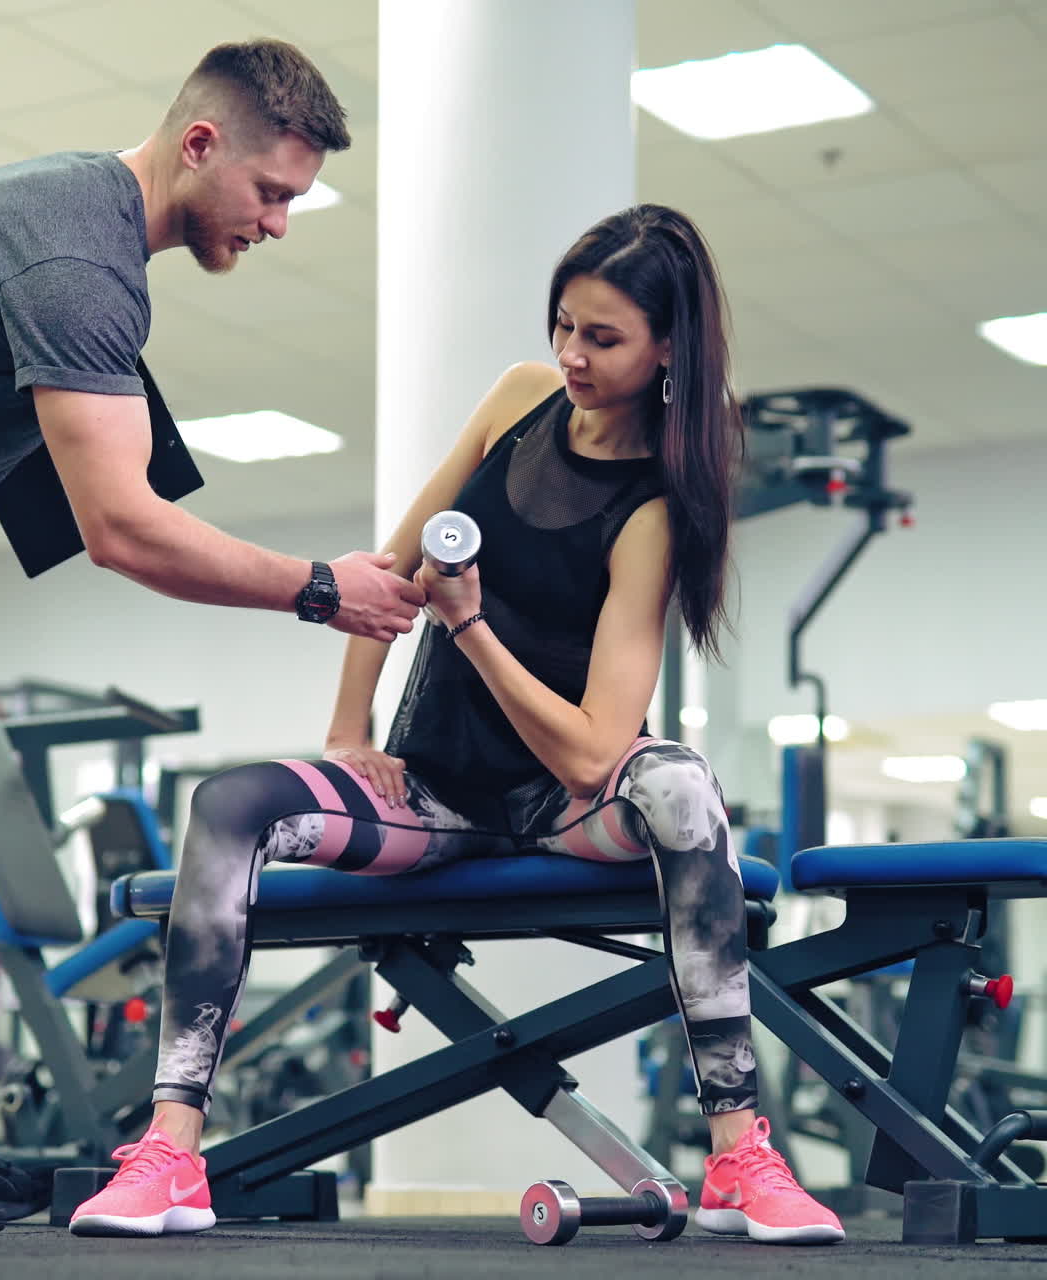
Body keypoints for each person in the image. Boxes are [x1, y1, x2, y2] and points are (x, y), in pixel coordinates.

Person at [69, 205, 847, 1246]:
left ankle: (738, 1154)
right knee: (230, 802)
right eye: (562, 325)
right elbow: (388, 574)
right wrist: (348, 729)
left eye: (602, 337)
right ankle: (171, 1151)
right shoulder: (518, 402)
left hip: (564, 807)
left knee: (678, 784)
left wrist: (470, 626)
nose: (570, 355)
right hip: (430, 797)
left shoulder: (653, 510)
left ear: (668, 348)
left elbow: (592, 753)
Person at [0, 39, 423, 1235]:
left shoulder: (93, 238)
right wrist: (320, 586)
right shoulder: (79, 254)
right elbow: (120, 528)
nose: (278, 223)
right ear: (199, 143)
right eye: (270, 191)